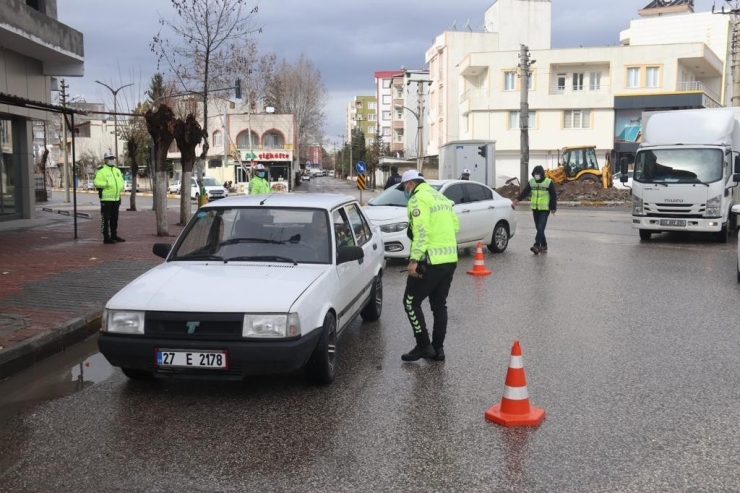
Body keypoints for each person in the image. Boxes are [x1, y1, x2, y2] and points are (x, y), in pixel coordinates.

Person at [398, 170, 460, 362]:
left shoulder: (418, 200)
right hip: (449, 259)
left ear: (410, 184)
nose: (405, 192)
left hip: (429, 260)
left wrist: (414, 259)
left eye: (404, 188)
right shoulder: (441, 198)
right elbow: (455, 226)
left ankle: (424, 346)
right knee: (439, 305)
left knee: (410, 302)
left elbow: (421, 232)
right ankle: (438, 349)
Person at [513, 165, 557, 254]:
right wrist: (517, 200)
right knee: (539, 228)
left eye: (538, 174)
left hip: (545, 209)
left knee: (540, 227)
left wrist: (553, 207)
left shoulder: (548, 182)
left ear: (542, 174)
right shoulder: (532, 182)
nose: (536, 175)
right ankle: (544, 245)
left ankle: (536, 245)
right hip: (535, 208)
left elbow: (553, 195)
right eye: (535, 174)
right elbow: (525, 192)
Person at [93, 151, 125, 244]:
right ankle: (106, 237)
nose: (112, 160)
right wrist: (106, 184)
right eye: (110, 159)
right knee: (105, 218)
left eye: (113, 158)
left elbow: (121, 181)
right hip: (106, 199)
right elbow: (96, 183)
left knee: (115, 218)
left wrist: (121, 186)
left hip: (116, 198)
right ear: (105, 160)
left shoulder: (117, 170)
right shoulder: (101, 171)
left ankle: (114, 235)